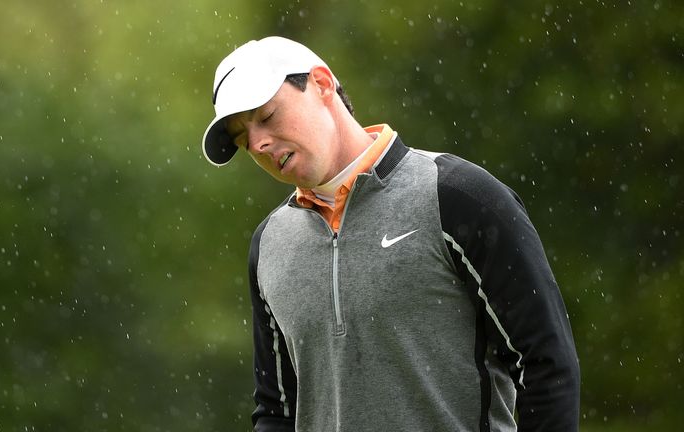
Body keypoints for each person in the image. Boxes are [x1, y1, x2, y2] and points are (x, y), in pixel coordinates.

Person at [201, 36, 580, 432]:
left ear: (322, 84)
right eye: (244, 140)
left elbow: (544, 363)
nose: (259, 143)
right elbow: (276, 412)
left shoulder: (458, 196)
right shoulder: (270, 246)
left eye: (267, 115)